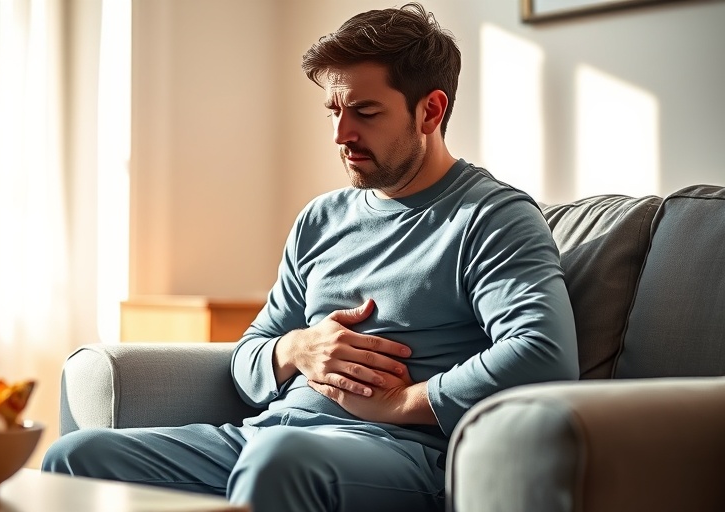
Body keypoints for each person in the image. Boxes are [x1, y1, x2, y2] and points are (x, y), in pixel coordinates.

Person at [42, 3, 579, 511]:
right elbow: (248, 358)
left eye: (365, 112)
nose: (342, 135)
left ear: (430, 110)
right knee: (76, 456)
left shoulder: (491, 215)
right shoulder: (322, 220)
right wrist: (298, 348)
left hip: (396, 450)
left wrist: (405, 401)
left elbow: (543, 353)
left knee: (277, 461)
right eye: (335, 111)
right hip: (268, 437)